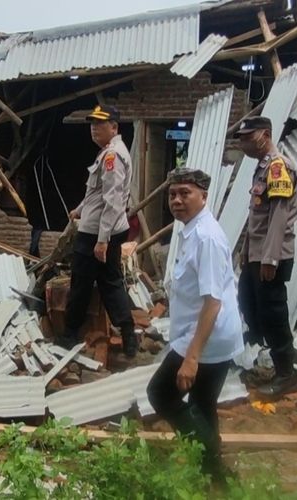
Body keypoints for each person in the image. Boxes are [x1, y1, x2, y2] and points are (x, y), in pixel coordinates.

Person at [147, 168, 243, 482]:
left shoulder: (207, 237)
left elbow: (212, 302)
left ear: (203, 196)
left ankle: (212, 463)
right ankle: (213, 474)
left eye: (185, 193)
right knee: (202, 404)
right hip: (208, 335)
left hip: (206, 338)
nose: (177, 200)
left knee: (161, 393)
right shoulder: (192, 229)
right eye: (172, 194)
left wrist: (191, 357)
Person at [57, 105, 138, 357]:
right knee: (111, 282)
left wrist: (102, 240)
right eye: (91, 123)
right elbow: (97, 194)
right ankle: (128, 334)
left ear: (114, 127)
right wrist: (80, 209)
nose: (94, 127)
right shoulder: (108, 153)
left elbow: (113, 202)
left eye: (100, 123)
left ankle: (70, 333)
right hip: (104, 229)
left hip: (98, 233)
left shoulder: (112, 156)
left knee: (81, 282)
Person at [235, 116, 297, 397]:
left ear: (266, 134)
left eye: (249, 137)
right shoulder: (261, 168)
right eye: (242, 138)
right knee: (249, 304)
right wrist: (246, 253)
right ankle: (263, 359)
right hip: (256, 255)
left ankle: (286, 373)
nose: (244, 143)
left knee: (273, 315)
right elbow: (256, 218)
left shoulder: (278, 167)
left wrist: (269, 260)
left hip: (271, 257)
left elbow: (278, 218)